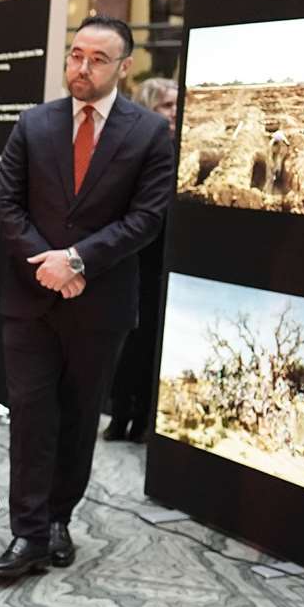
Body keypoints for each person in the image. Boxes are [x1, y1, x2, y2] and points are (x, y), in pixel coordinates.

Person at [0, 16, 173, 581]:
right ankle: (28, 532)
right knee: (31, 417)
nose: (81, 67)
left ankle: (58, 519)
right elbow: (5, 203)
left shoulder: (148, 133)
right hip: (31, 296)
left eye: (96, 59)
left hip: (100, 301)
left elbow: (146, 217)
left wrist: (79, 260)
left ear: (123, 66)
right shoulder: (34, 123)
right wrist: (49, 261)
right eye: (75, 55)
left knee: (79, 417)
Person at [105, 76, 177, 442]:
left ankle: (143, 421)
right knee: (129, 341)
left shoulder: (180, 148)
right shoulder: (130, 146)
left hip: (163, 259)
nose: (175, 113)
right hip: (130, 256)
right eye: (167, 105)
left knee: (151, 340)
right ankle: (120, 415)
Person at [148, 0, 186, 78]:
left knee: (170, 73)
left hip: (175, 40)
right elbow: (161, 11)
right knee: (157, 72)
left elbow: (183, 13)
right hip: (159, 39)